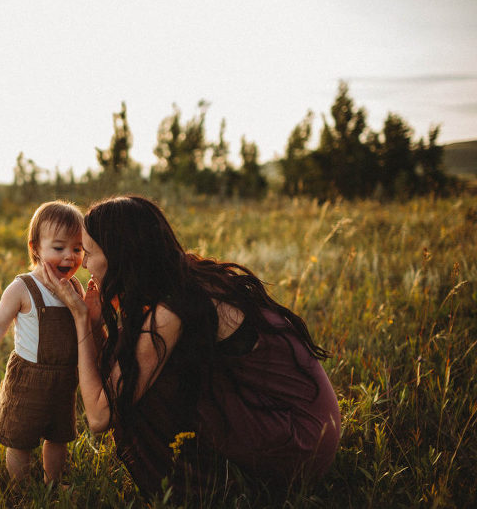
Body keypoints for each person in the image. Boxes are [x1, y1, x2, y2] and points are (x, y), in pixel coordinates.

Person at [42, 195, 341, 502]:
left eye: (89, 252)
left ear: (121, 255)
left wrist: (80, 319)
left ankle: (199, 492)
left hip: (299, 444)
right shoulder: (181, 274)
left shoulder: (170, 311)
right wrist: (96, 326)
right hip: (310, 426)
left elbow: (100, 416)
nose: (84, 263)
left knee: (140, 389)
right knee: (134, 362)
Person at [0, 200, 85, 485]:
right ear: (35, 247)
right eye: (58, 248)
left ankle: (53, 483)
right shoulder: (23, 287)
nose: (69, 257)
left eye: (77, 249)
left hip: (64, 378)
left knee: (59, 436)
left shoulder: (75, 288)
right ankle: (21, 488)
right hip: (29, 377)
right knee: (20, 438)